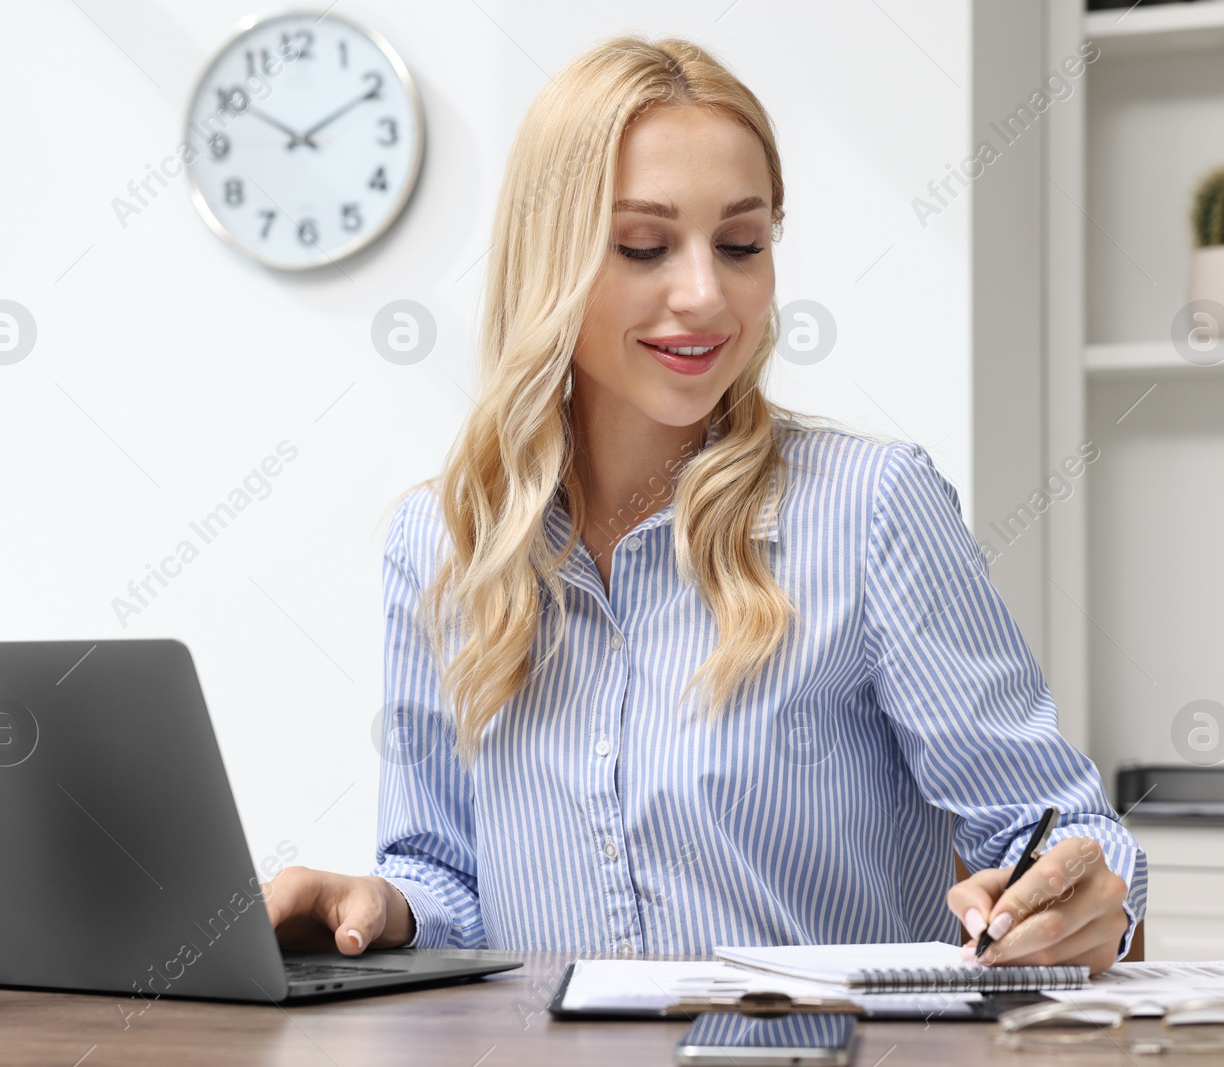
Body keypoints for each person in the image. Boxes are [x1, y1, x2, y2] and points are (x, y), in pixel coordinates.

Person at [264, 34, 1145, 973]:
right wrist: (383, 907)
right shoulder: (444, 543)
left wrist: (1085, 899)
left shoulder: (872, 509)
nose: (704, 294)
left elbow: (1056, 828)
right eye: (644, 245)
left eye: (741, 245)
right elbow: (445, 879)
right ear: (545, 262)